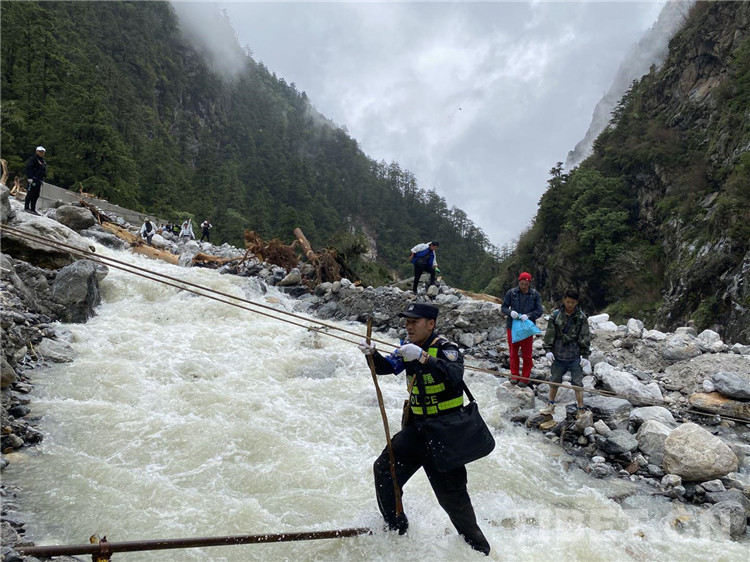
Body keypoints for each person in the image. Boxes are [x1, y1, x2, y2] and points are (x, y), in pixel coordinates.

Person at [358, 303, 490, 556]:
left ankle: (479, 550)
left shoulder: (447, 349)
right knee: (384, 470)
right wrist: (371, 354)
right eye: (407, 321)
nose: (409, 326)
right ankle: (397, 527)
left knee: (454, 499)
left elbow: (454, 375)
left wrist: (423, 357)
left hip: (445, 434)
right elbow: (386, 368)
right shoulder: (406, 348)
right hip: (417, 429)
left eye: (414, 321)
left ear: (430, 324)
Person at [540, 288, 591, 416]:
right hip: (558, 354)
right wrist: (548, 350)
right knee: (554, 380)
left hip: (575, 355)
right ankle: (550, 404)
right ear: (564, 300)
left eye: (573, 302)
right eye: (568, 302)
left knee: (577, 383)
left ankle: (581, 408)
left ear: (576, 302)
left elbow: (584, 336)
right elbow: (550, 333)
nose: (570, 305)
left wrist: (585, 356)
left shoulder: (581, 317)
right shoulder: (555, 315)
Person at [501, 272, 543, 386]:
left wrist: (529, 315)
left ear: (529, 283)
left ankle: (525, 377)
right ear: (519, 282)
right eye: (522, 283)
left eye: (526, 284)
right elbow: (503, 307)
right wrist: (510, 312)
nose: (523, 286)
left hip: (527, 328)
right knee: (513, 352)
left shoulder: (534, 295)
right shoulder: (512, 293)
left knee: (527, 354)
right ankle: (514, 375)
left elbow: (539, 310)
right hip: (512, 327)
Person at [24, 146, 47, 215]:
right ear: (36, 151)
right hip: (33, 179)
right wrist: (29, 177)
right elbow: (28, 168)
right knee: (30, 193)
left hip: (39, 180)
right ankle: (26, 207)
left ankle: (33, 209)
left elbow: (42, 171)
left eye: (43, 152)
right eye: (40, 151)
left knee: (36, 195)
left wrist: (42, 179)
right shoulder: (33, 159)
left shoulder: (42, 161)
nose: (41, 153)